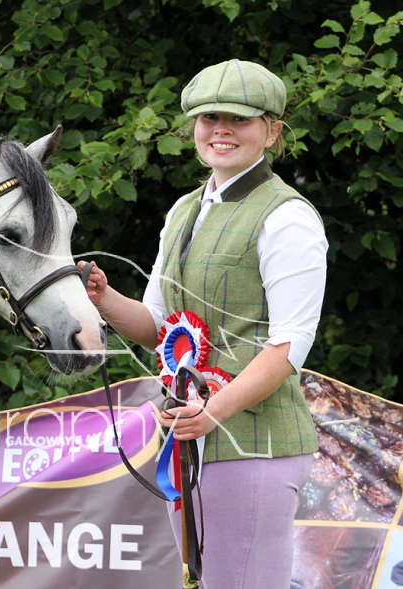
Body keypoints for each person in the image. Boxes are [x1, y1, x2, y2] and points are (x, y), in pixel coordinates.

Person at [80, 59, 328, 588]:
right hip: (190, 439)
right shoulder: (183, 211)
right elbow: (158, 324)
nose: (221, 130)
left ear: (272, 132)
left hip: (254, 442)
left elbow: (290, 345)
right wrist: (103, 298)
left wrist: (213, 411)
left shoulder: (288, 216)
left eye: (240, 119)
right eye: (210, 117)